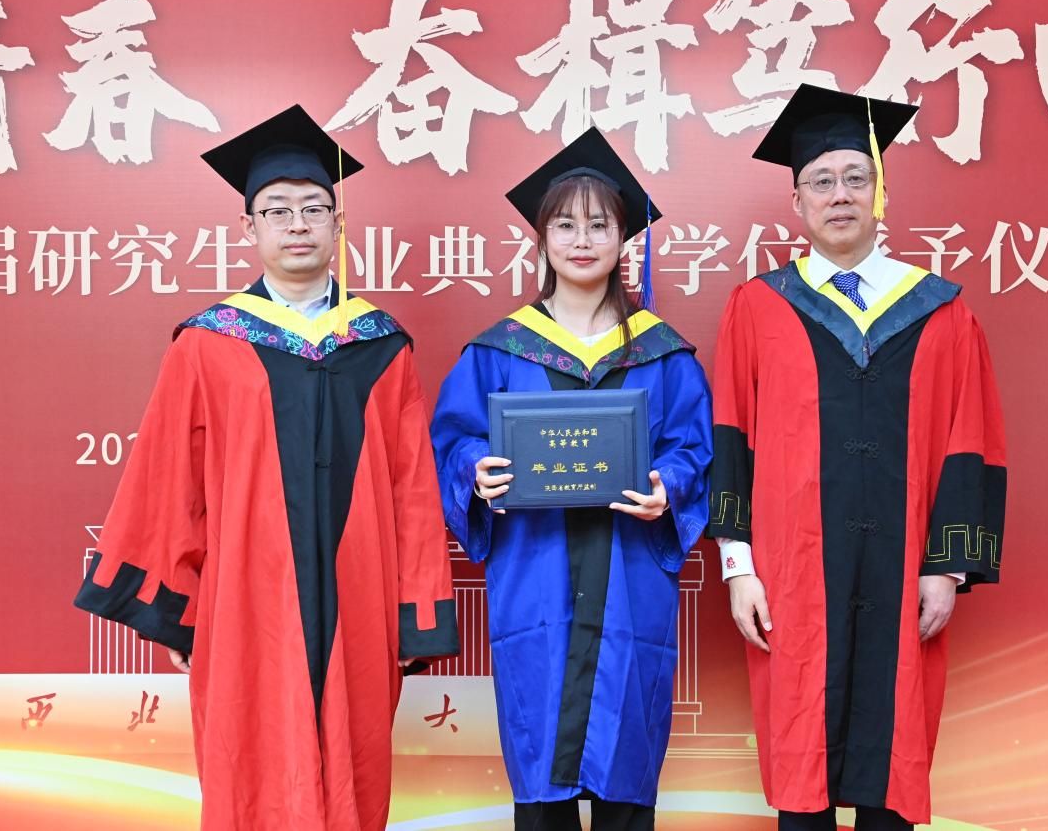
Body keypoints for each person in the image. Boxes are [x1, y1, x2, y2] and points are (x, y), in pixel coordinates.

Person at [73, 105, 458, 830]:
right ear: (248, 228)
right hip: (246, 597)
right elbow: (169, 481)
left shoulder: (382, 347)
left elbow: (412, 488)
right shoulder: (206, 344)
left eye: (314, 208)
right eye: (277, 210)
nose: (297, 224)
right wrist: (178, 613)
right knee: (250, 755)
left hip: (359, 594)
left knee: (354, 758)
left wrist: (416, 615)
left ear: (339, 225)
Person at [709, 84, 1007, 830]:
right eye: (821, 181)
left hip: (905, 573)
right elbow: (730, 437)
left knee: (893, 755)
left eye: (854, 178)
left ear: (879, 193)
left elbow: (969, 442)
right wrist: (739, 566)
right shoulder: (758, 306)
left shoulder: (941, 310)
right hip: (791, 573)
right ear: (797, 202)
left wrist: (947, 567)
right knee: (801, 760)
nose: (838, 195)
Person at [430, 127, 712, 830]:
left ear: (624, 239)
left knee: (624, 778)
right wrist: (475, 472)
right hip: (535, 576)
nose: (582, 240)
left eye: (599, 224)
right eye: (564, 224)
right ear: (541, 238)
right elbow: (455, 438)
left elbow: (693, 448)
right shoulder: (497, 351)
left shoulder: (663, 355)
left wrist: (668, 487)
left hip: (630, 580)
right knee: (542, 777)